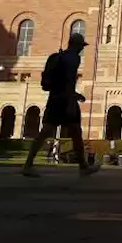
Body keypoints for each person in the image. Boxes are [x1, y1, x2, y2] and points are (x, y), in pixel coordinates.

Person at [21, 33, 101, 178]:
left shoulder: (59, 57)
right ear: (75, 45)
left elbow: (58, 83)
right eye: (80, 46)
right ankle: (83, 167)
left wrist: (75, 95)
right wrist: (71, 101)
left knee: (48, 132)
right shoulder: (73, 58)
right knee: (73, 131)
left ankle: (28, 165)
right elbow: (69, 81)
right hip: (65, 100)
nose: (81, 50)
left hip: (55, 98)